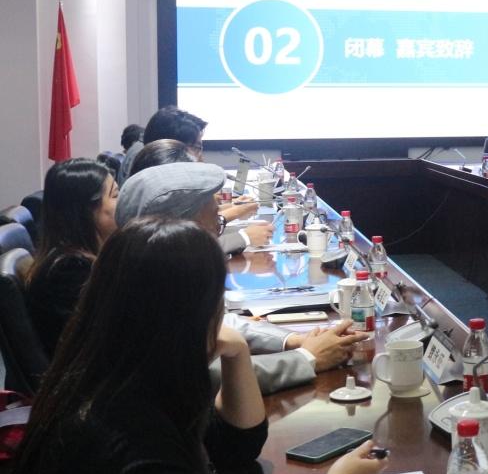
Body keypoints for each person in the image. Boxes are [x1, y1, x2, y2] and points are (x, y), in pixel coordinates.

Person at [12, 218, 387, 474]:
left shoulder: (120, 371)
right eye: (215, 300)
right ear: (183, 315)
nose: (219, 310)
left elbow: (236, 445)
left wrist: (237, 352)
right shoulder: (116, 426)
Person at [116, 162, 368, 393]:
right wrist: (307, 358)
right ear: (179, 231)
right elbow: (204, 377)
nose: (218, 233)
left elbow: (215, 326)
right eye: (216, 222)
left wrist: (292, 340)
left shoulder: (143, 269)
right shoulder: (151, 291)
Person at [23, 158, 118, 358]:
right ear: (86, 211)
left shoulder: (76, 258)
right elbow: (105, 340)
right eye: (115, 195)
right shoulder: (69, 270)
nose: (124, 202)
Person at [128, 138, 270, 253]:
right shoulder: (160, 246)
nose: (201, 156)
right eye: (197, 147)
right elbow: (188, 252)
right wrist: (244, 237)